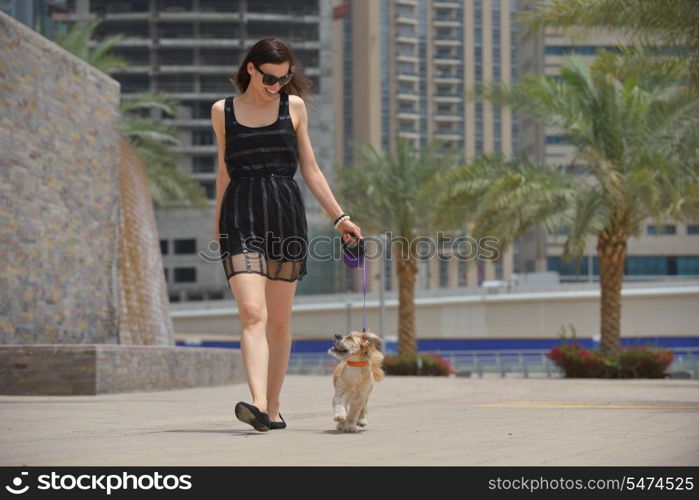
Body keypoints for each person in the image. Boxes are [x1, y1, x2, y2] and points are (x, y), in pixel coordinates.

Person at [210, 37, 363, 431]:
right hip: (240, 215)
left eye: (283, 78)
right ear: (250, 69)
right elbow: (224, 171)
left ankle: (273, 407)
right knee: (252, 312)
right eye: (269, 77)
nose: (275, 85)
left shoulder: (292, 108)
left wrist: (340, 217)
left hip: (283, 213)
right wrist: (217, 225)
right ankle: (258, 403)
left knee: (278, 321)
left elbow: (310, 169)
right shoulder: (222, 111)